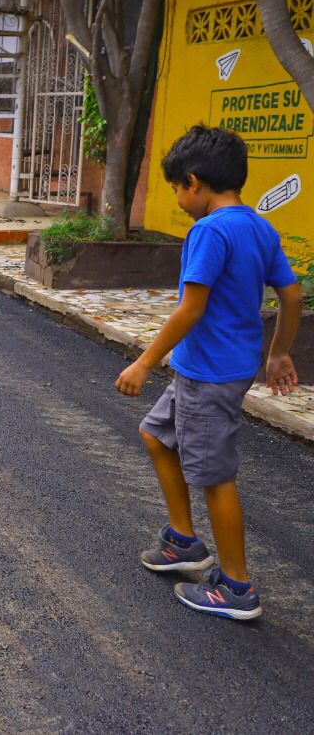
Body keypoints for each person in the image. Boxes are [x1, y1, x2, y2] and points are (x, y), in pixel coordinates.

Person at [115, 125, 301, 621]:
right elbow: (291, 294)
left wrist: (144, 362)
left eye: (177, 189)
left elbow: (190, 308)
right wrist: (279, 352)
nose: (179, 200)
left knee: (216, 478)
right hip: (215, 369)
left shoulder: (209, 231)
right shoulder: (259, 227)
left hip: (209, 375)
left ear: (193, 182)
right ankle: (183, 540)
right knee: (157, 434)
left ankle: (237, 588)